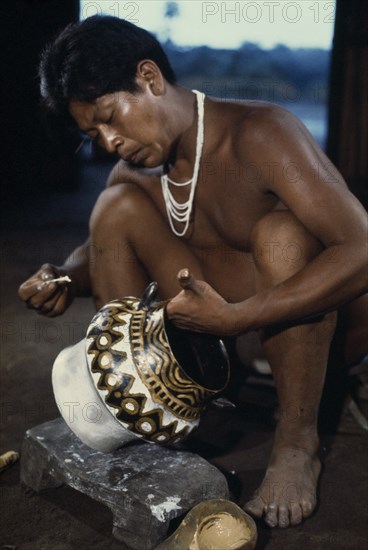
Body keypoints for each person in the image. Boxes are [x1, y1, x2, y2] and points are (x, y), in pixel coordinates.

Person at [18, 16, 367, 529]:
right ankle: (148, 410)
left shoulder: (262, 133)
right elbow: (98, 250)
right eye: (94, 133)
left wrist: (240, 316)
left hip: (314, 335)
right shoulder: (136, 169)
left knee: (282, 236)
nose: (109, 141)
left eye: (111, 117)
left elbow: (361, 246)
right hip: (226, 342)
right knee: (114, 208)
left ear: (150, 78)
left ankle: (296, 443)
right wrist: (65, 275)